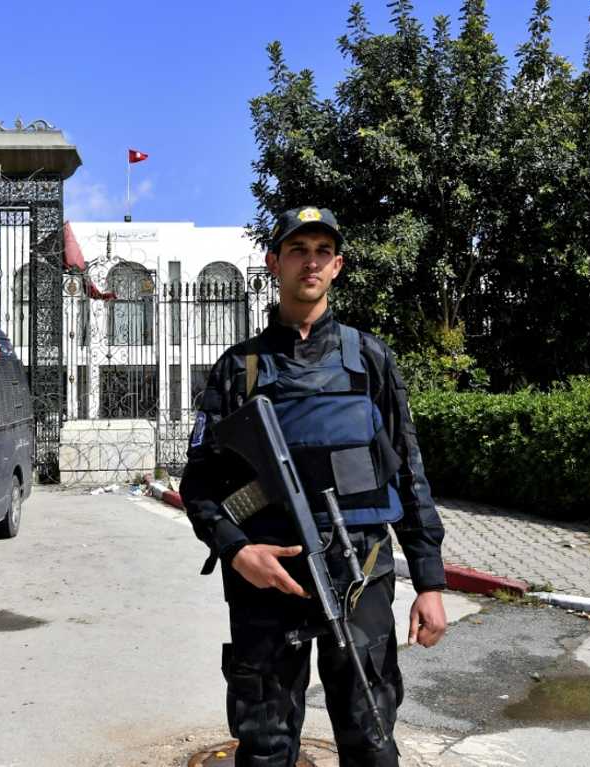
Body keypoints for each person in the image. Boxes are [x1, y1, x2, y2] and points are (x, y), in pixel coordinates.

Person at [180, 206, 447, 767]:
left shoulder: (369, 359)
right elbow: (200, 480)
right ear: (274, 262)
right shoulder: (239, 369)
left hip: (361, 567)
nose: (311, 262)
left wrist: (428, 581)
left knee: (370, 735)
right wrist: (237, 550)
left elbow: (407, 471)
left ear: (338, 266)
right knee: (266, 742)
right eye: (298, 250)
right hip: (270, 576)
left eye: (322, 251)